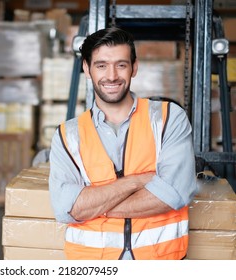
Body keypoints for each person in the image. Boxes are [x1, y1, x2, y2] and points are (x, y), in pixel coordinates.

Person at [48, 27, 198, 260]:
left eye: (121, 64)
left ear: (134, 68)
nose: (111, 75)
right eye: (101, 65)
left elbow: (173, 193)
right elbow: (67, 208)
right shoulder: (68, 135)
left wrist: (93, 206)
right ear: (87, 69)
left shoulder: (168, 118)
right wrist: (138, 181)